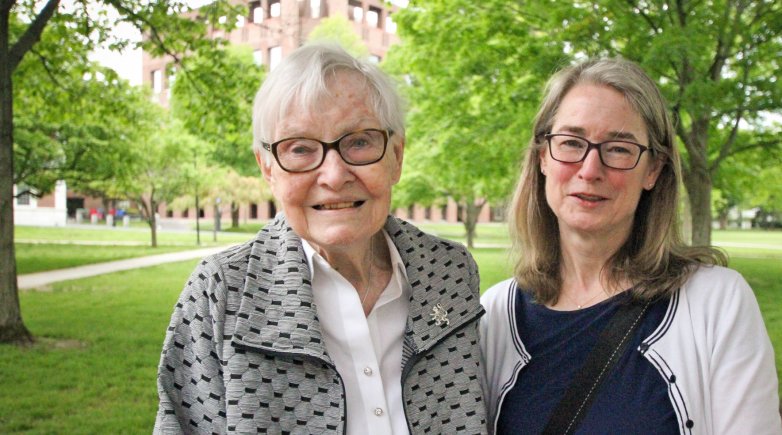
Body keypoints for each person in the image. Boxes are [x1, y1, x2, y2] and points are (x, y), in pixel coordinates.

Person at [154, 43, 487, 434]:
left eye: (359, 142)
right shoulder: (223, 292)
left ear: (396, 156)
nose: (333, 175)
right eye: (300, 148)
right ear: (268, 168)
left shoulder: (448, 273)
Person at [480, 58, 781, 434]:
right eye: (571, 143)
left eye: (619, 149)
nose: (590, 169)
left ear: (653, 169)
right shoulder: (495, 315)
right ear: (543, 157)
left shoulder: (716, 304)